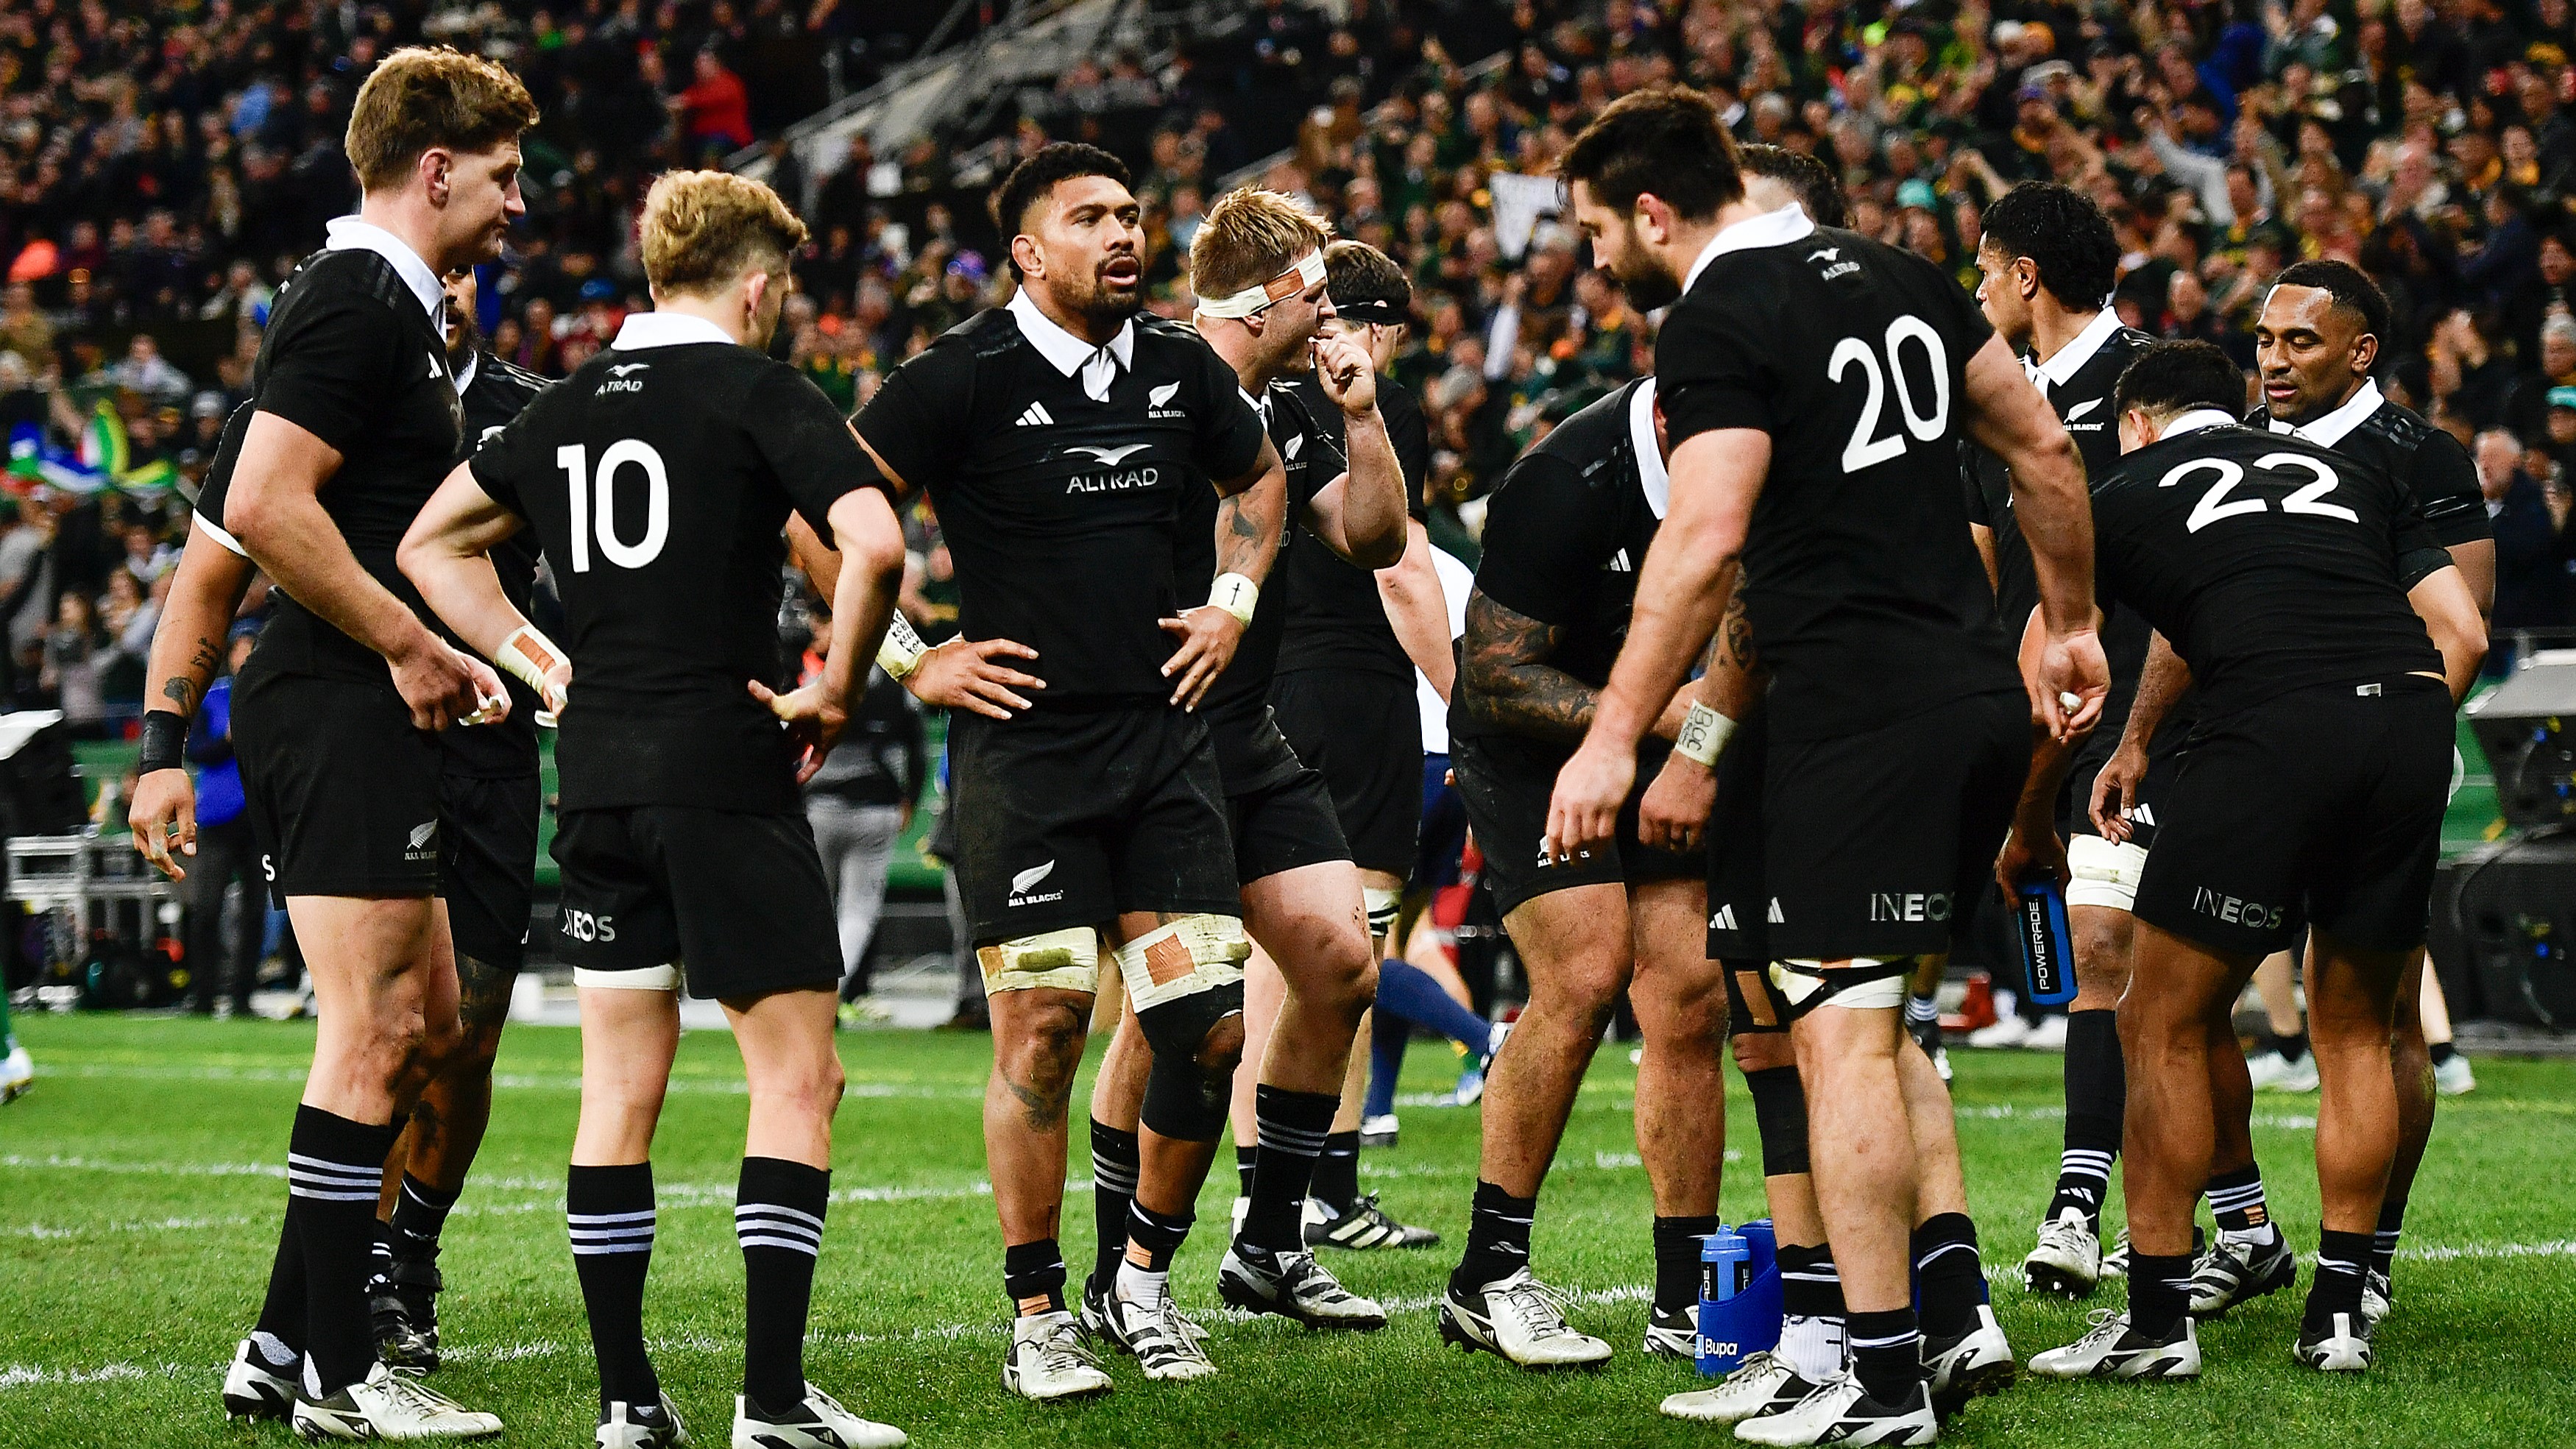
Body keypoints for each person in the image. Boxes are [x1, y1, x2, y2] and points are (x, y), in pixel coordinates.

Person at [1545, 88, 2103, 1445]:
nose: (1593, 259)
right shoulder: (1910, 275)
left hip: (1855, 713)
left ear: (1654, 213)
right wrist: (2074, 623)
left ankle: (1883, 1378)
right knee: (1864, 1021)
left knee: (1841, 1032)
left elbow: (1707, 536)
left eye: (1596, 231)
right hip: (1967, 695)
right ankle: (1922, 1325)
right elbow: (2040, 447)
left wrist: (1617, 737)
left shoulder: (1717, 317)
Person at [400, 169, 910, 1449]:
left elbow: (427, 546)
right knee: (798, 1076)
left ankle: (628, 1403)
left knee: (617, 1090)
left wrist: (537, 659)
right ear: (758, 287)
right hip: (723, 768)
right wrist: (838, 686)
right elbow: (875, 542)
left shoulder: (563, 403)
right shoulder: (760, 388)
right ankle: (773, 1401)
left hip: (596, 778)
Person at [845, 142, 1285, 1400]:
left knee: (1209, 1029)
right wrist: (909, 658)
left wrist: (1233, 601)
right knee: (1042, 1034)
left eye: (1132, 214)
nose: (1124, 233)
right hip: (1025, 756)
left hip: (1163, 746)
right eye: (1091, 217)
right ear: (1029, 252)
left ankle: (1139, 1279)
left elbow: (1257, 476)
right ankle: (1038, 1312)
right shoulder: (959, 374)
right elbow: (825, 515)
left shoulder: (1183, 369)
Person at [2020, 340, 2485, 1378]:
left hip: (2269, 728)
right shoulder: (2347, 469)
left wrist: (2032, 817)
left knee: (2159, 1022)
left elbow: (2063, 673)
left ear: (2135, 423)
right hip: (2408, 720)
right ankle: (2340, 1315)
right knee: (2356, 1032)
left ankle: (2154, 1323)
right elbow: (2461, 628)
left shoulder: (2121, 488)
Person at [1652, 144, 2010, 1432]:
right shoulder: (1869, 351)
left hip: (1834, 728)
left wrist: (1680, 742)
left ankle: (1889, 1345)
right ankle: (1878, 1324)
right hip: (1837, 726)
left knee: (1842, 1023)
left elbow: (1737, 575)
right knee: (1814, 1025)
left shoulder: (1804, 355)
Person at [140, 263, 551, 1382]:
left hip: (489, 744)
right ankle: (347, 1301)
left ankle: (391, 1263)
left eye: (468, 271)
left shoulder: (532, 412)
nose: (451, 285)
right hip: (354, 727)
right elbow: (205, 582)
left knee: (458, 1037)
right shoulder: (298, 407)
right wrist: (162, 749)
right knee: (380, 1031)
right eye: (438, 266)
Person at [210, 47, 533, 1441]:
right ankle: (342, 1373)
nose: (517, 206)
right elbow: (262, 502)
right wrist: (409, 644)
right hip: (339, 698)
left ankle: (285, 1341)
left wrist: (466, 654)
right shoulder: (359, 295)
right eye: (505, 177)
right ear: (438, 169)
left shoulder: (387, 301)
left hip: (367, 700)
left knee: (433, 1025)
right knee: (382, 1027)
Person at [1081, 186, 1415, 1359]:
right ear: (1263, 297)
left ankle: (1267, 1244)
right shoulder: (1141, 384)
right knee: (1170, 1023)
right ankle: (1120, 1277)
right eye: (1317, 291)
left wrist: (1363, 416)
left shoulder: (1292, 405)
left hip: (1249, 737)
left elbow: (1373, 537)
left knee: (1341, 965)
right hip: (1149, 744)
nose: (1333, 312)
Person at [2143, 258, 2495, 1325]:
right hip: (2242, 758)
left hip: (2370, 758)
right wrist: (2146, 736)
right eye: (2263, 339)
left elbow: (2462, 624)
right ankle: (2244, 1226)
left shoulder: (2419, 454)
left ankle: (2365, 1257)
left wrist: (2387, 742)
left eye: (2300, 341)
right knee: (2191, 1000)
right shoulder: (2244, 442)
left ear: (2360, 350)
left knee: (2373, 1018)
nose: (2274, 361)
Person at [1437, 369, 1726, 1370]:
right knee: (1587, 971)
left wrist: (1699, 736)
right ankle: (1488, 1277)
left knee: (1690, 993)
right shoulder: (1563, 479)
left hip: (1662, 726)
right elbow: (1493, 673)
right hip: (1527, 741)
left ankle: (1684, 1298)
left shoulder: (1751, 454)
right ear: (1667, 414)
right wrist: (1652, 716)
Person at [1961, 181, 2167, 1300]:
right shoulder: (1994, 395)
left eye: (1985, 270)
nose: (1977, 289)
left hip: (2134, 716)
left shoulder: (2150, 388)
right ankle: (2239, 1214)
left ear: (2025, 276)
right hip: (2026, 724)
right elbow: (1986, 569)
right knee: (2120, 978)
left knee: (2106, 955)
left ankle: (2077, 1207)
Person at [1253, 235, 1453, 1250]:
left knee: (1273, 954)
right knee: (1351, 950)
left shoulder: (1264, 404)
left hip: (1266, 683)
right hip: (1354, 686)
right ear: (1372, 327)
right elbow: (1399, 567)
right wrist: (1462, 701)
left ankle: (1266, 1191)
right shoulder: (1375, 405)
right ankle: (1318, 1192)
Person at [795, 597, 926, 1019]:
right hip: (874, 806)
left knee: (819, 908)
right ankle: (831, 993)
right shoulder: (887, 671)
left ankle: (812, 993)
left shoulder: (812, 670)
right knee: (856, 913)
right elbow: (915, 742)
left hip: (823, 803)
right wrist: (911, 797)